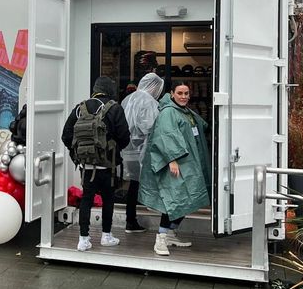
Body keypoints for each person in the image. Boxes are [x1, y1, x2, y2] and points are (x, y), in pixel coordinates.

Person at [139, 81, 211, 256]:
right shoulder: (169, 112)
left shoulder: (185, 111)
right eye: (180, 93)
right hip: (177, 165)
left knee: (187, 200)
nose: (184, 96)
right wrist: (172, 160)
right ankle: (161, 239)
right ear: (172, 93)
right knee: (174, 200)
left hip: (188, 164)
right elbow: (165, 135)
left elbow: (201, 126)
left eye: (186, 93)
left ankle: (170, 233)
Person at [62, 76, 131, 251]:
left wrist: (78, 152)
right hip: (108, 165)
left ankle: (83, 239)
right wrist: (112, 149)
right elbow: (124, 137)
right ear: (110, 90)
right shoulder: (115, 108)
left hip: (87, 165)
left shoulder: (80, 108)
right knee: (108, 199)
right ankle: (106, 236)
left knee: (86, 199)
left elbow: (66, 135)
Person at [119, 73, 165, 233]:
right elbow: (151, 127)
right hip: (144, 150)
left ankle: (130, 220)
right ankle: (164, 225)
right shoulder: (150, 102)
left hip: (128, 151)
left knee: (134, 184)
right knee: (152, 183)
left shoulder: (128, 99)